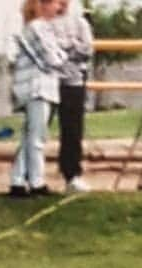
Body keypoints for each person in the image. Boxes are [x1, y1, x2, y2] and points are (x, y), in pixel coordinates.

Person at [10, 0, 67, 198]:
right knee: (37, 137)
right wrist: (62, 55)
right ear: (42, 4)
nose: (59, 8)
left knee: (29, 136)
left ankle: (17, 180)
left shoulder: (41, 28)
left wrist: (60, 55)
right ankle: (37, 181)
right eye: (56, 4)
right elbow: (54, 58)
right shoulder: (37, 28)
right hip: (37, 87)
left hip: (39, 86)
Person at [52, 0, 93, 193]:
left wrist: (65, 47)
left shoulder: (80, 22)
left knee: (73, 130)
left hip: (73, 83)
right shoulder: (44, 23)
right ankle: (26, 176)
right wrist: (71, 48)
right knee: (35, 130)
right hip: (49, 82)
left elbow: (87, 50)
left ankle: (72, 175)